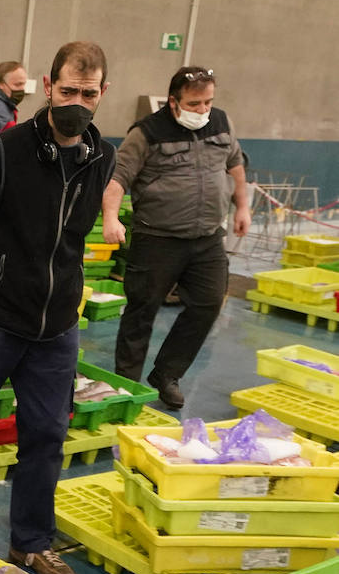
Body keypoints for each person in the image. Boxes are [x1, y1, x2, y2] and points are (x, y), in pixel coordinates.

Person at [0, 41, 116, 574]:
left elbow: (72, 239)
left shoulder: (103, 157)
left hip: (57, 328)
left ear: (102, 94)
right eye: (67, 90)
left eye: (87, 94)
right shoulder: (2, 150)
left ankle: (30, 544)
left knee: (46, 434)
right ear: (47, 87)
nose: (77, 101)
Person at [102, 66, 250, 409]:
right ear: (173, 102)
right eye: (194, 103)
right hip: (157, 239)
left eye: (208, 102)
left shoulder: (221, 123)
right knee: (141, 311)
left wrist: (242, 207)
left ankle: (167, 373)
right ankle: (126, 387)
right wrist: (111, 217)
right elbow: (117, 178)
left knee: (208, 303)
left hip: (208, 238)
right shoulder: (147, 133)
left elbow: (236, 164)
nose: (203, 110)